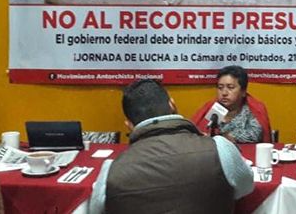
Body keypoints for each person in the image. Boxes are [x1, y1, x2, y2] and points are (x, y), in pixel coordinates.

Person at [88, 79, 253, 214]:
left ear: (129, 125)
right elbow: (246, 188)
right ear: (172, 105)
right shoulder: (220, 149)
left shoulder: (111, 172)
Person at [191, 65, 271, 143]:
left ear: (243, 91)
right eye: (220, 87)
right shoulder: (214, 109)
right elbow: (197, 134)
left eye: (230, 87)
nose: (224, 93)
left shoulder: (252, 109)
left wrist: (228, 137)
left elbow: (255, 134)